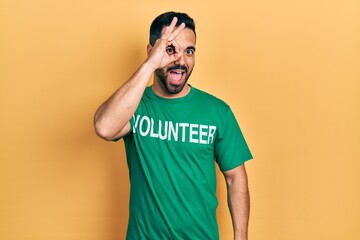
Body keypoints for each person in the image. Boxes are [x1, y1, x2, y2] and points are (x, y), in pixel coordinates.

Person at [94, 11, 253, 240]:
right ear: (152, 51)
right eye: (170, 49)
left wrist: (241, 237)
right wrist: (150, 65)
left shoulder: (217, 111)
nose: (180, 60)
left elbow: (235, 177)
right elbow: (104, 128)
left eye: (189, 51)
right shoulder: (135, 106)